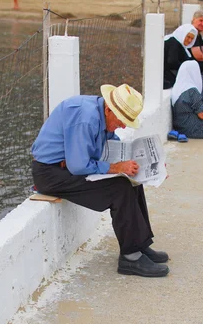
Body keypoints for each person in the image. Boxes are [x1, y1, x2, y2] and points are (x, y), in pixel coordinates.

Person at [31, 84, 169, 278]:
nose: (123, 126)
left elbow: (108, 147)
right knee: (120, 188)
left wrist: (151, 169)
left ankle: (139, 246)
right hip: (51, 173)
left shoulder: (101, 114)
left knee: (132, 181)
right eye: (122, 120)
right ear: (109, 109)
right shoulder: (86, 118)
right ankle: (130, 258)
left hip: (66, 167)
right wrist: (116, 168)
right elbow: (78, 166)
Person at [163, 24, 198, 88]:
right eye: (188, 37)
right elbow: (172, 62)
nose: (190, 40)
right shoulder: (173, 43)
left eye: (192, 38)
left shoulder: (181, 45)